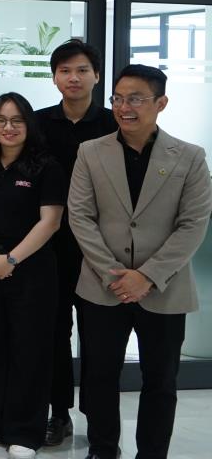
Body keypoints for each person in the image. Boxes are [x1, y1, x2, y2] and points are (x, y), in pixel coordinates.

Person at [69, 65, 212, 459]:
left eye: (135, 98)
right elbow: (80, 216)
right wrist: (113, 273)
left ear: (160, 103)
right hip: (103, 287)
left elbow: (193, 225)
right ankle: (102, 448)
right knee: (99, 376)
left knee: (161, 380)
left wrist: (147, 276)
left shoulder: (190, 156)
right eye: (117, 98)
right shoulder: (90, 152)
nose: (123, 107)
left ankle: (152, 453)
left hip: (164, 288)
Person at [0, 93, 64, 459]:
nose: (8, 127)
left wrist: (13, 259)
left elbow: (50, 222)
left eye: (17, 120)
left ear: (28, 125)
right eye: (1, 120)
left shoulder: (46, 166)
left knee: (29, 350)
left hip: (31, 270)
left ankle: (25, 431)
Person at [35, 38, 117, 445]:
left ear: (96, 76)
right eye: (65, 70)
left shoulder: (114, 125)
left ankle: (100, 423)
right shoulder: (38, 124)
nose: (73, 77)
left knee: (99, 339)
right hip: (50, 247)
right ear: (54, 77)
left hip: (101, 249)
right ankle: (59, 413)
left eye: (82, 70)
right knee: (53, 334)